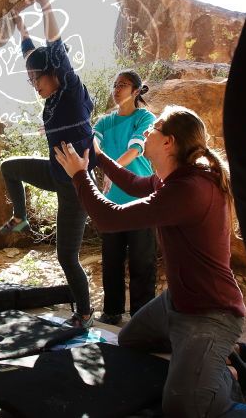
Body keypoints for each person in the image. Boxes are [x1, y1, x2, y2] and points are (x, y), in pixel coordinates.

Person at [54, 105, 246, 416]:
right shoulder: (174, 180)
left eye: (153, 129)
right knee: (129, 341)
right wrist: (99, 157)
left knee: (182, 407)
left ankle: (226, 374)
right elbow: (132, 184)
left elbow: (107, 217)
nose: (146, 132)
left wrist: (79, 175)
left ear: (169, 142)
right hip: (177, 303)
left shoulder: (190, 189)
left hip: (211, 312)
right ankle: (206, 355)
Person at [0, 0, 97, 328]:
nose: (32, 84)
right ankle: (20, 216)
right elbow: (32, 54)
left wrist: (43, 0)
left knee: (66, 256)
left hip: (75, 186)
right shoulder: (51, 98)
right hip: (55, 172)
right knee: (9, 167)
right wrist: (19, 27)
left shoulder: (69, 89)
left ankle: (84, 313)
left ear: (54, 73)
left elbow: (52, 46)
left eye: (35, 78)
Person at [93, 70, 156, 325]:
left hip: (142, 199)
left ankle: (143, 316)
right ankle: (112, 311)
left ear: (137, 91)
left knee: (143, 260)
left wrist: (112, 171)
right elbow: (93, 148)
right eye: (115, 84)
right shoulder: (104, 122)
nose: (117, 89)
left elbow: (135, 149)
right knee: (112, 259)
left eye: (124, 85)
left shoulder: (145, 117)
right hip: (112, 202)